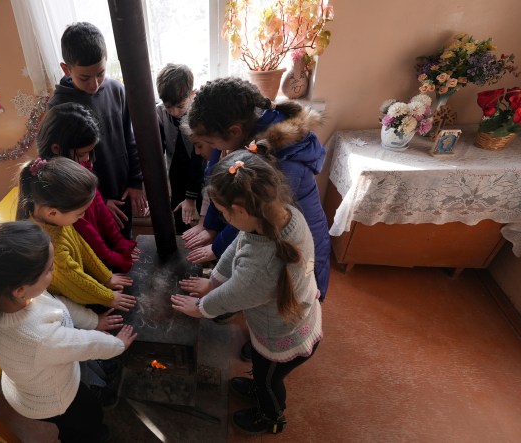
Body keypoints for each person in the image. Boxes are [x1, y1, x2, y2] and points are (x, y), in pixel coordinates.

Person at [171, 151, 322, 435]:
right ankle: (258, 386)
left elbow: (233, 296)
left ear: (240, 209)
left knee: (269, 381)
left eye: (224, 213)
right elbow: (238, 246)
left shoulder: (262, 267)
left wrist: (201, 307)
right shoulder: (278, 216)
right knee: (264, 371)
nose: (225, 220)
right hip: (294, 315)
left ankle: (272, 417)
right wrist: (213, 279)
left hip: (283, 335)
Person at [0, 221, 137, 442]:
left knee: (84, 412)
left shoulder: (1, 298)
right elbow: (84, 344)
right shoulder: (38, 337)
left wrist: (93, 321)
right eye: (48, 269)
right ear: (20, 289)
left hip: (36, 383)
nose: (54, 270)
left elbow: (58, 306)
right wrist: (118, 345)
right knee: (86, 422)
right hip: (55, 401)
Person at [181, 77, 331, 307]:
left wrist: (218, 247)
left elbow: (251, 217)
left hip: (300, 247)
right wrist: (210, 226)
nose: (210, 148)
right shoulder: (240, 131)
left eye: (210, 141)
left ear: (233, 132)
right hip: (267, 231)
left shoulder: (283, 165)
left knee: (294, 301)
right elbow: (217, 178)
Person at [48, 21, 147, 239]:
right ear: (66, 69)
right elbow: (65, 166)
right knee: (101, 251)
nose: (94, 84)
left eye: (100, 73)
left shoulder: (117, 90)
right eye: (84, 77)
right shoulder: (59, 108)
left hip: (122, 191)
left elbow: (130, 138)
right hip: (88, 202)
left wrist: (135, 181)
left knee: (125, 241)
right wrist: (97, 200)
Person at [16, 156, 137, 312]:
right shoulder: (51, 247)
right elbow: (76, 282)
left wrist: (106, 277)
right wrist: (109, 297)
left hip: (78, 291)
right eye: (80, 213)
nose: (82, 217)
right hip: (66, 305)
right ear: (52, 212)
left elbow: (82, 247)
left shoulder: (55, 220)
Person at [36, 102, 139, 273]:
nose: (89, 160)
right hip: (86, 261)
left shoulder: (78, 164)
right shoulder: (56, 185)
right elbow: (86, 232)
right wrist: (111, 257)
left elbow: (97, 202)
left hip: (98, 252)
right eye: (83, 154)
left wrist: (118, 241)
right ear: (56, 148)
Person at [155, 63, 205, 234]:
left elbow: (200, 158)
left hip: (201, 172)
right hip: (176, 173)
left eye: (180, 106)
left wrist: (191, 197)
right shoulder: (160, 113)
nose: (175, 112)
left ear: (193, 94)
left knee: (206, 214)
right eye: (169, 107)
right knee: (178, 213)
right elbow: (158, 150)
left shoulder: (201, 112)